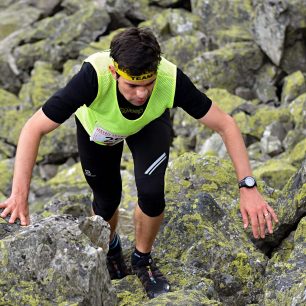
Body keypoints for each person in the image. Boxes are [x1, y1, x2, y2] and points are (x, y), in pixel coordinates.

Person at [0, 27, 278, 298]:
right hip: (99, 129)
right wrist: (19, 194)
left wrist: (248, 186)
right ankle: (111, 249)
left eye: (149, 83)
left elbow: (226, 125)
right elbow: (33, 128)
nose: (142, 93)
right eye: (132, 85)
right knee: (107, 200)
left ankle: (142, 259)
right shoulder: (93, 77)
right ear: (114, 72)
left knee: (152, 193)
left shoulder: (170, 79)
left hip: (149, 125)